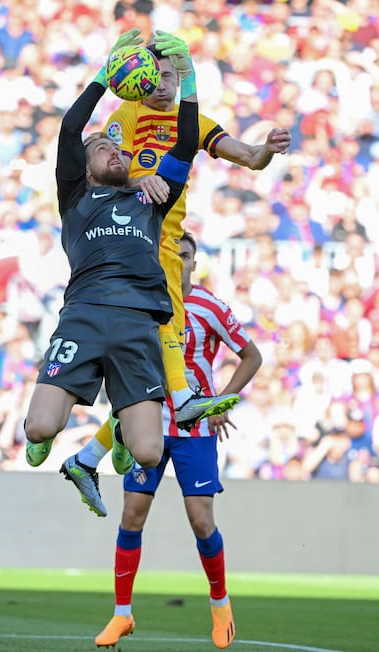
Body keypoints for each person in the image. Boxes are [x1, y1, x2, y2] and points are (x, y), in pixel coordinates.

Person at [62, 28, 291, 489]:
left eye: (171, 75)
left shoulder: (197, 122)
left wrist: (266, 149)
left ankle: (107, 442)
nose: (163, 84)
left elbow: (247, 156)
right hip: (130, 236)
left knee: (159, 332)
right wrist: (137, 183)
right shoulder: (127, 113)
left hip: (167, 237)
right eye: (156, 76)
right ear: (141, 79)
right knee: (161, 326)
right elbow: (108, 171)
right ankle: (173, 402)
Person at [24, 30, 235, 473]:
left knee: (149, 453)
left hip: (139, 324)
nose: (114, 150)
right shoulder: (76, 198)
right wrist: (105, 73)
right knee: (40, 428)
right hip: (85, 313)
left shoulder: (154, 198)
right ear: (84, 167)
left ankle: (119, 432)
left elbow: (183, 142)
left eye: (117, 146)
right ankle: (52, 432)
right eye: (102, 149)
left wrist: (190, 79)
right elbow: (70, 127)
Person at [90, 232, 262, 648]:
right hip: (148, 421)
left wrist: (220, 403)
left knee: (201, 521)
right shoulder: (146, 302)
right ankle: (122, 615)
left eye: (185, 256)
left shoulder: (210, 306)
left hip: (195, 429)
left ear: (194, 263)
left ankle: (220, 604)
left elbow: (252, 356)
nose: (179, 262)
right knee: (131, 516)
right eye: (172, 255)